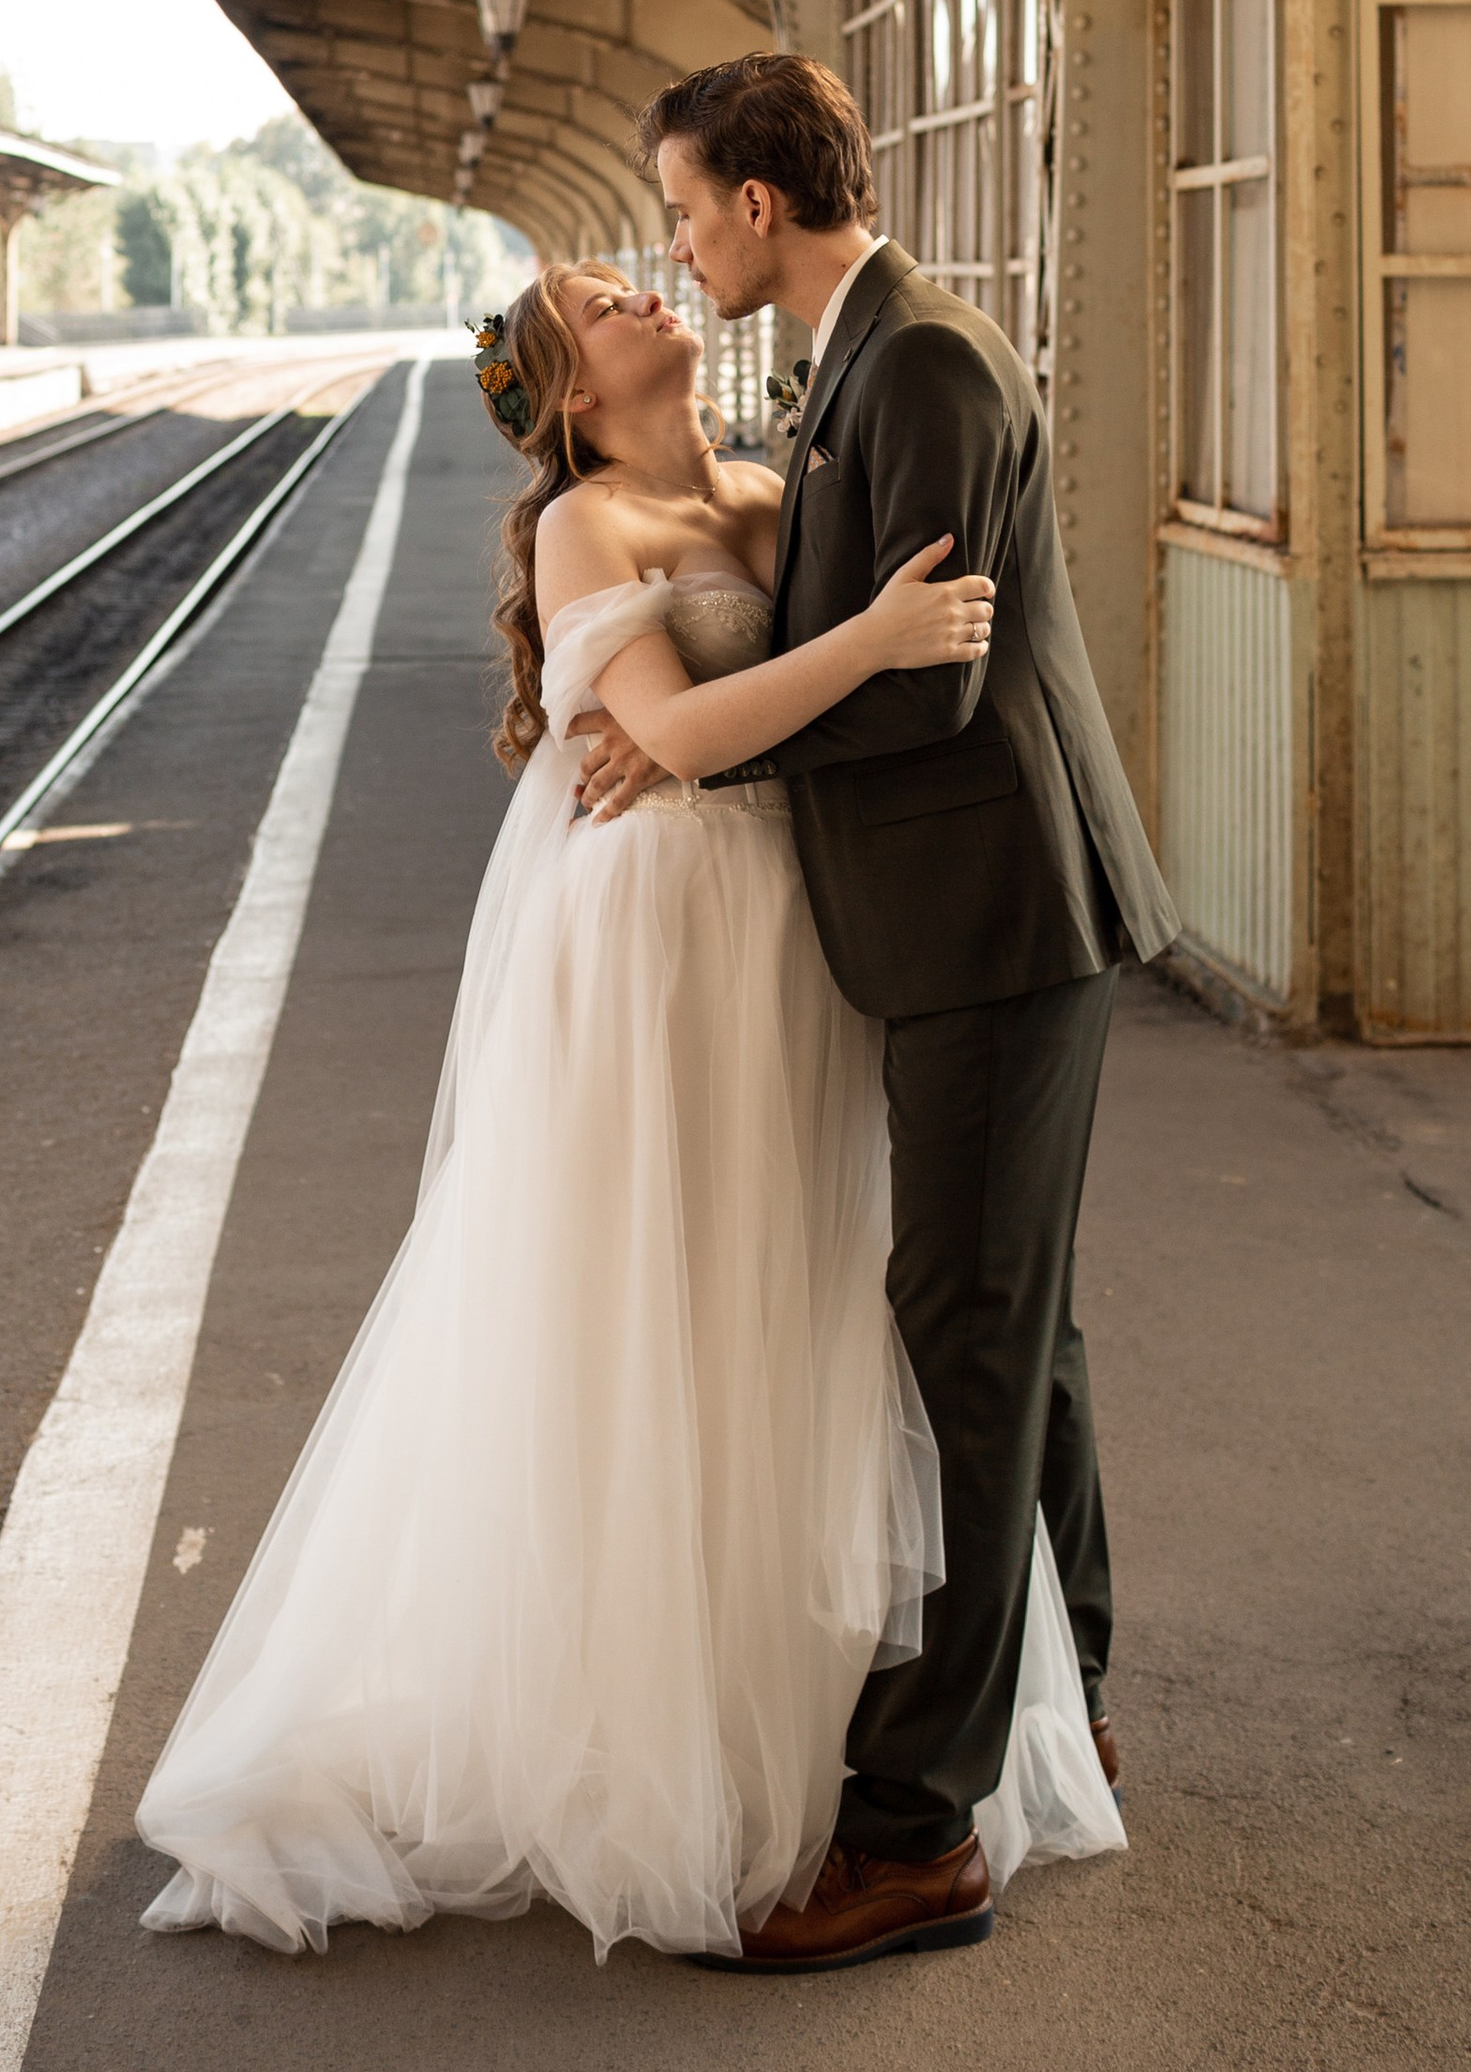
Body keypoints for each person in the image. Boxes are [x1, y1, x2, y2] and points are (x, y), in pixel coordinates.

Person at [135, 266, 1122, 1965]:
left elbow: (766, 713)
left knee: (803, 1292)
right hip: (663, 942)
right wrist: (862, 646)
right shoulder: (584, 523)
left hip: (793, 933)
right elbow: (663, 725)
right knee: (661, 1303)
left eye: (642, 262)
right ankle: (656, 1726)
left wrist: (826, 679)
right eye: (602, 297)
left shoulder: (762, 480)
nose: (645, 284)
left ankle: (816, 1703)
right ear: (572, 393)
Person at [577, 51, 1179, 1971]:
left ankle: (917, 1827)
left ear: (759, 201)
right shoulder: (859, 363)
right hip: (969, 917)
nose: (675, 242)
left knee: (969, 1327)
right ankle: (1064, 1699)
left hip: (995, 910)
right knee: (1020, 1322)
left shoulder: (914, 361)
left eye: (682, 205)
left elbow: (925, 683)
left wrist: (692, 764)